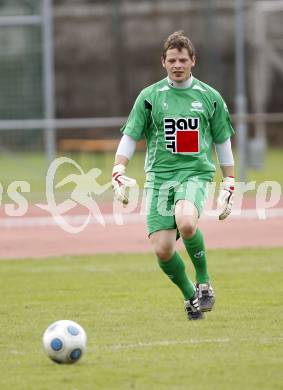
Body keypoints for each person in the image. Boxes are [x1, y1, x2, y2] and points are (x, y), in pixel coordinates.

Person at [112, 31, 235, 320]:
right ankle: (191, 295)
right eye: (172, 60)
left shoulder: (210, 97)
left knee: (186, 222)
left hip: (194, 173)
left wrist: (229, 181)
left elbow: (222, 141)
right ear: (163, 62)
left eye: (183, 59)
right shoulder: (150, 97)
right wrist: (118, 169)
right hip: (159, 178)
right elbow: (131, 135)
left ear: (193, 61)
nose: (177, 64)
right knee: (164, 249)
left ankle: (205, 282)